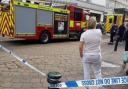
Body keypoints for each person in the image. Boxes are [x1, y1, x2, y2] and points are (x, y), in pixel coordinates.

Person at [79, 18, 102, 88]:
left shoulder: (84, 34)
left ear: (87, 24)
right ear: (95, 24)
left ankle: (87, 86)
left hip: (87, 55)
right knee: (97, 72)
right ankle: (100, 86)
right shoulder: (99, 31)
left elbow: (80, 47)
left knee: (86, 72)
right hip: (97, 55)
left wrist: (81, 55)